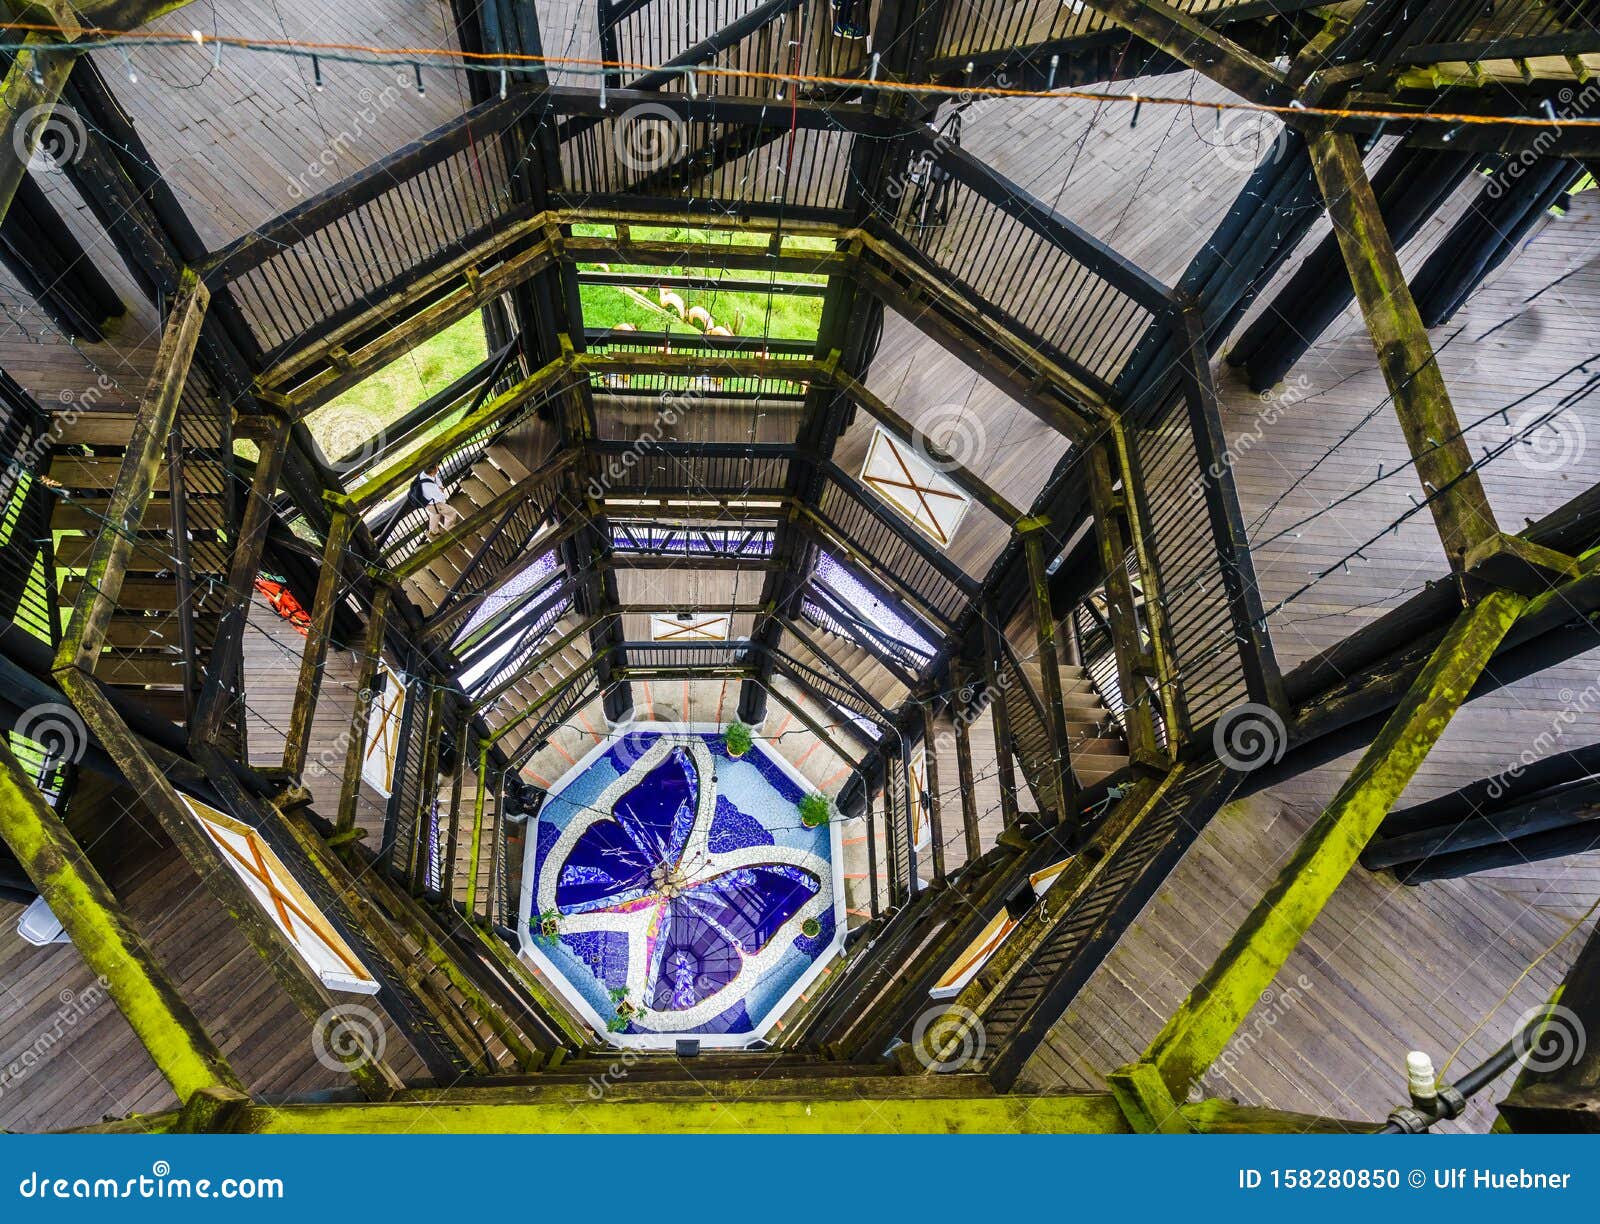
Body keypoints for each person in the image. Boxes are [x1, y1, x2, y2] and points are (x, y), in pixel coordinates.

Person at [420, 465, 459, 538]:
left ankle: (433, 531)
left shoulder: (423, 475)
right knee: (451, 513)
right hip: (435, 504)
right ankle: (448, 530)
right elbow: (440, 497)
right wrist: (440, 490)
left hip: (428, 504)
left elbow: (436, 479)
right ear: (432, 472)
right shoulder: (429, 485)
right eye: (436, 468)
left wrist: (439, 486)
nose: (438, 468)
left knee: (435, 514)